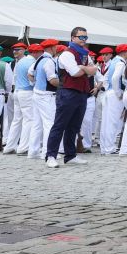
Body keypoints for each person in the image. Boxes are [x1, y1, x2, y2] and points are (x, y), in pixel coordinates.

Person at [46, 27, 98, 166]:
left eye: (85, 37)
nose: (83, 40)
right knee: (60, 125)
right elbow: (75, 72)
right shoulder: (67, 54)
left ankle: (70, 155)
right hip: (67, 92)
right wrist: (85, 69)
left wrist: (83, 68)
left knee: (74, 126)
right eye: (81, 37)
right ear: (73, 38)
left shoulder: (85, 54)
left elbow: (94, 70)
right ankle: (51, 155)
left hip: (82, 93)